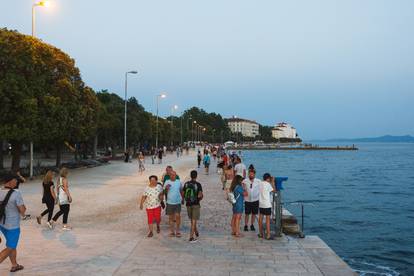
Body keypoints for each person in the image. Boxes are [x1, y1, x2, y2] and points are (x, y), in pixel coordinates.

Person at [0, 173, 27, 272]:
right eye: (15, 180)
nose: (16, 181)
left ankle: (14, 265)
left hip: (2, 224)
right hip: (13, 226)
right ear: (10, 181)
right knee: (10, 247)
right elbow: (23, 210)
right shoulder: (16, 193)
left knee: (11, 245)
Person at [183, 170, 203, 243]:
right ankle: (191, 237)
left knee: (192, 220)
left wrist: (183, 200)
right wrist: (200, 199)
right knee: (194, 221)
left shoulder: (186, 184)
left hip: (188, 204)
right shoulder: (198, 184)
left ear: (190, 175)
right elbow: (200, 195)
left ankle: (196, 231)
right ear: (196, 176)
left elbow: (183, 193)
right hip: (195, 204)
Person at [164, 171, 183, 237]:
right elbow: (164, 192)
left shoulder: (179, 182)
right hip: (170, 202)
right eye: (171, 175)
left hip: (178, 202)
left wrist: (183, 198)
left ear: (176, 175)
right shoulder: (167, 182)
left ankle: (177, 231)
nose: (172, 176)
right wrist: (166, 188)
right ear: (170, 175)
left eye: (174, 175)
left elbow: (181, 190)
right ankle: (172, 231)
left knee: (178, 216)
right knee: (171, 218)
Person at [242, 168, 261, 232]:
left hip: (255, 200)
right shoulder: (245, 181)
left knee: (254, 214)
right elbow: (242, 188)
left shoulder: (258, 181)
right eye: (250, 174)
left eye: (252, 174)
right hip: (247, 200)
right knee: (247, 214)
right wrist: (244, 190)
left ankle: (252, 225)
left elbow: (262, 189)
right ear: (248, 174)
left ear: (254, 174)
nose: (251, 175)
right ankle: (246, 225)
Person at [258, 173, 276, 240]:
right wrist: (273, 182)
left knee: (260, 219)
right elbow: (274, 190)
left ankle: (260, 233)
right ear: (268, 178)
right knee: (268, 220)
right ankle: (268, 235)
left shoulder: (260, 183)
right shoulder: (268, 184)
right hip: (267, 204)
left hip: (261, 204)